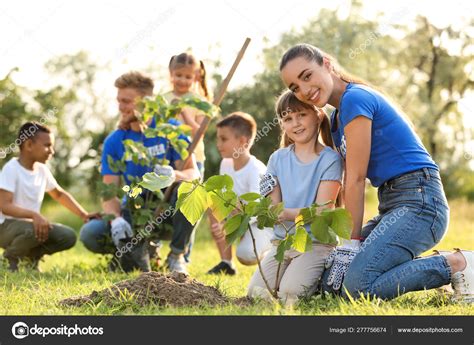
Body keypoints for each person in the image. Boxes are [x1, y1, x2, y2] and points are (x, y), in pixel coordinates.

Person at [279, 43, 473, 303]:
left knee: (356, 288)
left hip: (421, 202)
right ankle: (402, 268)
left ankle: (458, 263)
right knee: (331, 286)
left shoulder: (356, 99)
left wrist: (351, 245)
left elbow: (356, 181)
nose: (304, 90)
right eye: (294, 88)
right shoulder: (337, 119)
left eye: (307, 76)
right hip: (391, 204)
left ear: (326, 63)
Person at [79, 71, 200, 274]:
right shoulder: (115, 141)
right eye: (119, 100)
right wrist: (115, 218)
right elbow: (109, 191)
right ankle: (134, 252)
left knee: (192, 191)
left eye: (126, 101)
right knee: (91, 233)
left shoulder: (170, 130)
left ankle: (176, 255)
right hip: (135, 210)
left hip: (167, 210)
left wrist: (174, 175)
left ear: (145, 102)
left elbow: (193, 173)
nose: (120, 107)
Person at [247, 91, 343, 305]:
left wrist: (285, 213)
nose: (295, 123)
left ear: (317, 115)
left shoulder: (330, 159)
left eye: (301, 115)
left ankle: (322, 276)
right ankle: (292, 277)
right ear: (282, 124)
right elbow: (273, 206)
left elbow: (322, 211)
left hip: (315, 244)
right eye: (287, 118)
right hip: (282, 243)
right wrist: (268, 212)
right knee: (255, 293)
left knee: (291, 294)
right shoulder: (277, 159)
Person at [0, 122, 96, 271]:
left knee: (67, 236)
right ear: (29, 145)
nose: (51, 151)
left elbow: (58, 194)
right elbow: (5, 206)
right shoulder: (11, 169)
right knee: (33, 229)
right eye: (47, 145)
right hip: (5, 227)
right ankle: (8, 261)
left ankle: (30, 258)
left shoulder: (42, 170)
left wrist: (84, 214)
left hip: (30, 227)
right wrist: (34, 215)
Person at [207, 112, 272, 276]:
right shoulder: (226, 163)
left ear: (242, 141)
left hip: (262, 224)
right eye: (218, 139)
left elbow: (256, 210)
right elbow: (222, 199)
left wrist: (227, 224)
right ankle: (226, 263)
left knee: (246, 255)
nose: (218, 144)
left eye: (224, 139)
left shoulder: (255, 170)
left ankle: (272, 252)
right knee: (211, 201)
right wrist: (221, 220)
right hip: (239, 218)